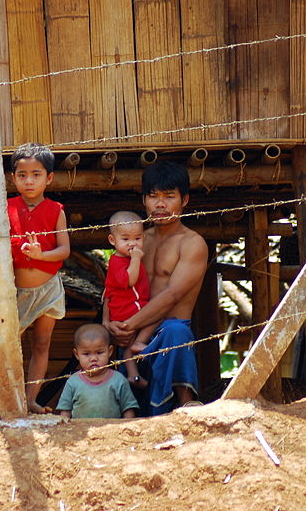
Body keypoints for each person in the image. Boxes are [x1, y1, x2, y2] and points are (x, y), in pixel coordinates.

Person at [0, 143, 71, 418]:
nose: (29, 181)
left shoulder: (56, 210)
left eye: (36, 174)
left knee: (41, 344)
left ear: (49, 178)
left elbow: (64, 250)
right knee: (4, 346)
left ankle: (31, 400)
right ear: (13, 178)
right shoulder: (5, 207)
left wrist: (41, 255)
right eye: (22, 175)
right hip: (15, 292)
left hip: (49, 289)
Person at [108, 161, 208, 415]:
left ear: (185, 200)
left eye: (169, 196)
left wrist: (129, 326)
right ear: (144, 200)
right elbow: (112, 286)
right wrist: (110, 324)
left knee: (176, 331)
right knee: (94, 338)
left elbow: (173, 295)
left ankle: (186, 403)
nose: (160, 204)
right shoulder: (135, 240)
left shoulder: (192, 243)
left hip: (164, 331)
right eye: (153, 196)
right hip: (129, 331)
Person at [102, 211, 158, 389]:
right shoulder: (117, 262)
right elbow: (130, 280)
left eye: (137, 238)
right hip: (128, 308)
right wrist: (135, 259)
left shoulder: (123, 258)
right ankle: (141, 341)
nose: (132, 244)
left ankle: (133, 376)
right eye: (125, 239)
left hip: (127, 308)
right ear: (112, 240)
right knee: (157, 315)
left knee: (128, 346)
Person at [57, 324, 138, 419]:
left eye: (99, 352)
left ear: (110, 351)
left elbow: (128, 410)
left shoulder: (118, 380)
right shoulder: (73, 382)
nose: (93, 359)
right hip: (82, 428)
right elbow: (65, 413)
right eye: (86, 354)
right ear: (77, 354)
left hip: (111, 428)